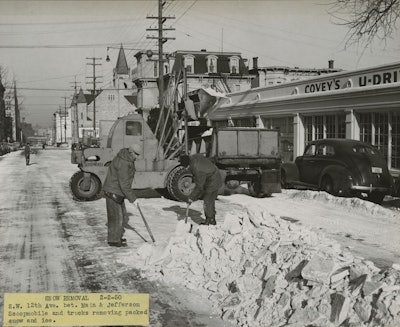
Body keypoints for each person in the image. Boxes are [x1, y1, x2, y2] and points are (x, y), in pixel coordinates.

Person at [103, 144, 141, 247]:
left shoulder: (127, 158)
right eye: (136, 154)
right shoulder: (124, 162)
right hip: (113, 191)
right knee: (116, 217)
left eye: (138, 155)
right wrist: (133, 199)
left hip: (117, 190)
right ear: (131, 152)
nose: (137, 157)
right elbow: (124, 183)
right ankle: (114, 240)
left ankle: (116, 237)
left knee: (121, 216)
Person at [180, 154, 223, 225]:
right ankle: (210, 218)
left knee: (208, 201)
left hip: (213, 180)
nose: (186, 169)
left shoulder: (197, 169)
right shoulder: (193, 158)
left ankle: (211, 220)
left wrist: (191, 197)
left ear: (188, 164)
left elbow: (199, 187)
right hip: (211, 174)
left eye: (186, 167)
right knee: (209, 201)